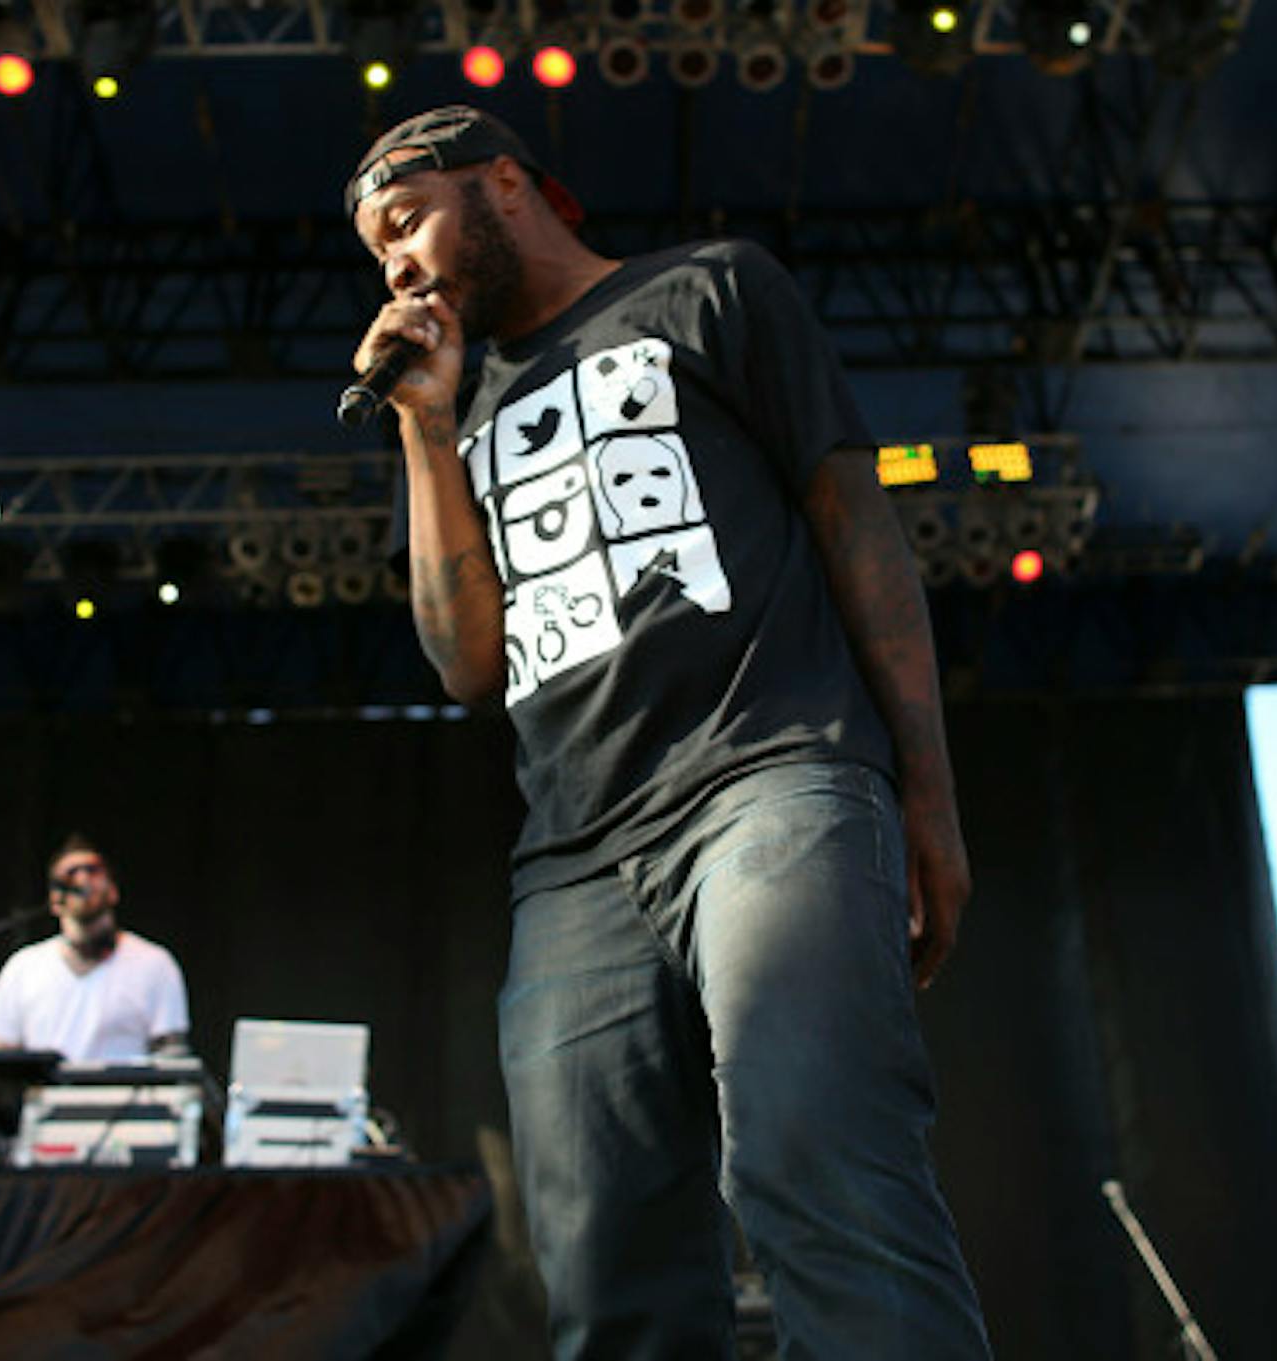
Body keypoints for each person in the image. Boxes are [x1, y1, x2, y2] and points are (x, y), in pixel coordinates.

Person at [346, 107, 992, 1359]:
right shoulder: (456, 400)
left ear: (505, 186)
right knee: (605, 1264)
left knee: (817, 1155)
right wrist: (426, 426)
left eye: (408, 220)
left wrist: (927, 795)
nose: (397, 265)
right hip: (574, 856)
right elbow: (464, 661)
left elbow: (862, 538)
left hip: (771, 772)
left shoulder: (711, 290)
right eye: (376, 251)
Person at [0, 834, 190, 1061]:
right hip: (42, 1095)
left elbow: (170, 1056)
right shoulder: (23, 967)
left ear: (113, 891)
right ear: (55, 899)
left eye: (93, 870)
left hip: (122, 1094)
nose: (83, 879)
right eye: (70, 874)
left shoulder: (154, 963)